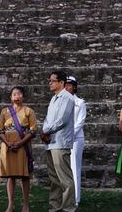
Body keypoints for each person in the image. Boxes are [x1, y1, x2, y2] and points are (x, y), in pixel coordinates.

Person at [0, 86, 37, 212]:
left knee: (25, 176)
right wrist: (7, 142)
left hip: (23, 146)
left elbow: (33, 130)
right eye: (14, 94)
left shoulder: (29, 111)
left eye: (19, 94)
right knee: (11, 176)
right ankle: (10, 204)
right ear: (11, 97)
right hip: (7, 147)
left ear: (22, 96)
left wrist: (20, 143)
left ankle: (25, 204)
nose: (17, 96)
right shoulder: (4, 112)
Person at [40, 70, 76, 212]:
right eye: (49, 80)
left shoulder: (67, 98)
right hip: (51, 142)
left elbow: (62, 120)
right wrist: (44, 130)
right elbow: (48, 119)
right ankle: (55, 206)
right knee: (54, 178)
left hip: (60, 141)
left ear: (61, 82)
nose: (50, 83)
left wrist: (46, 131)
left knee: (65, 177)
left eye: (52, 80)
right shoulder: (53, 98)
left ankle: (68, 208)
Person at [65, 75, 86, 207]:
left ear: (74, 87)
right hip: (62, 138)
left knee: (74, 167)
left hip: (75, 138)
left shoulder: (80, 103)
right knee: (63, 168)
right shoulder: (60, 102)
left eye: (69, 85)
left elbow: (80, 122)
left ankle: (76, 199)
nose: (67, 87)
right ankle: (66, 196)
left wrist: (70, 134)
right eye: (65, 85)